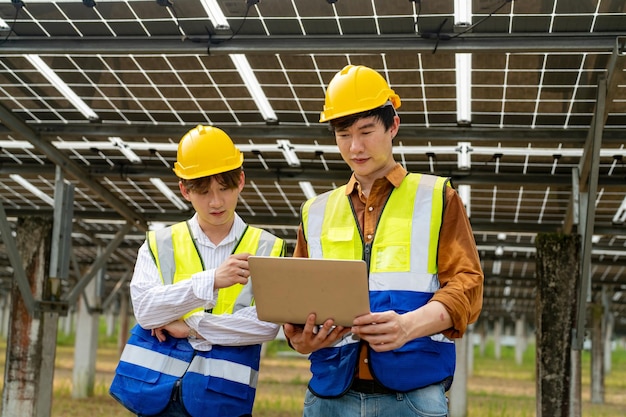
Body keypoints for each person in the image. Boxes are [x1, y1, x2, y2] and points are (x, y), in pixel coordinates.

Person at [282, 65, 484, 417]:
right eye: (343, 134)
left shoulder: (437, 197)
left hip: (412, 397)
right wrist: (298, 338)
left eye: (366, 131)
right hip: (328, 396)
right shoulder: (314, 211)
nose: (355, 147)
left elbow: (467, 286)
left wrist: (409, 326)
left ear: (393, 126)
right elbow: (297, 301)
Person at [110, 125, 285, 417]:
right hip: (153, 396)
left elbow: (266, 325)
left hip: (223, 399)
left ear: (240, 181)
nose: (216, 202)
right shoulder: (159, 242)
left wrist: (190, 325)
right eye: (203, 192)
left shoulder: (268, 247)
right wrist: (212, 281)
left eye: (224, 188)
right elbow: (145, 311)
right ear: (184, 190)